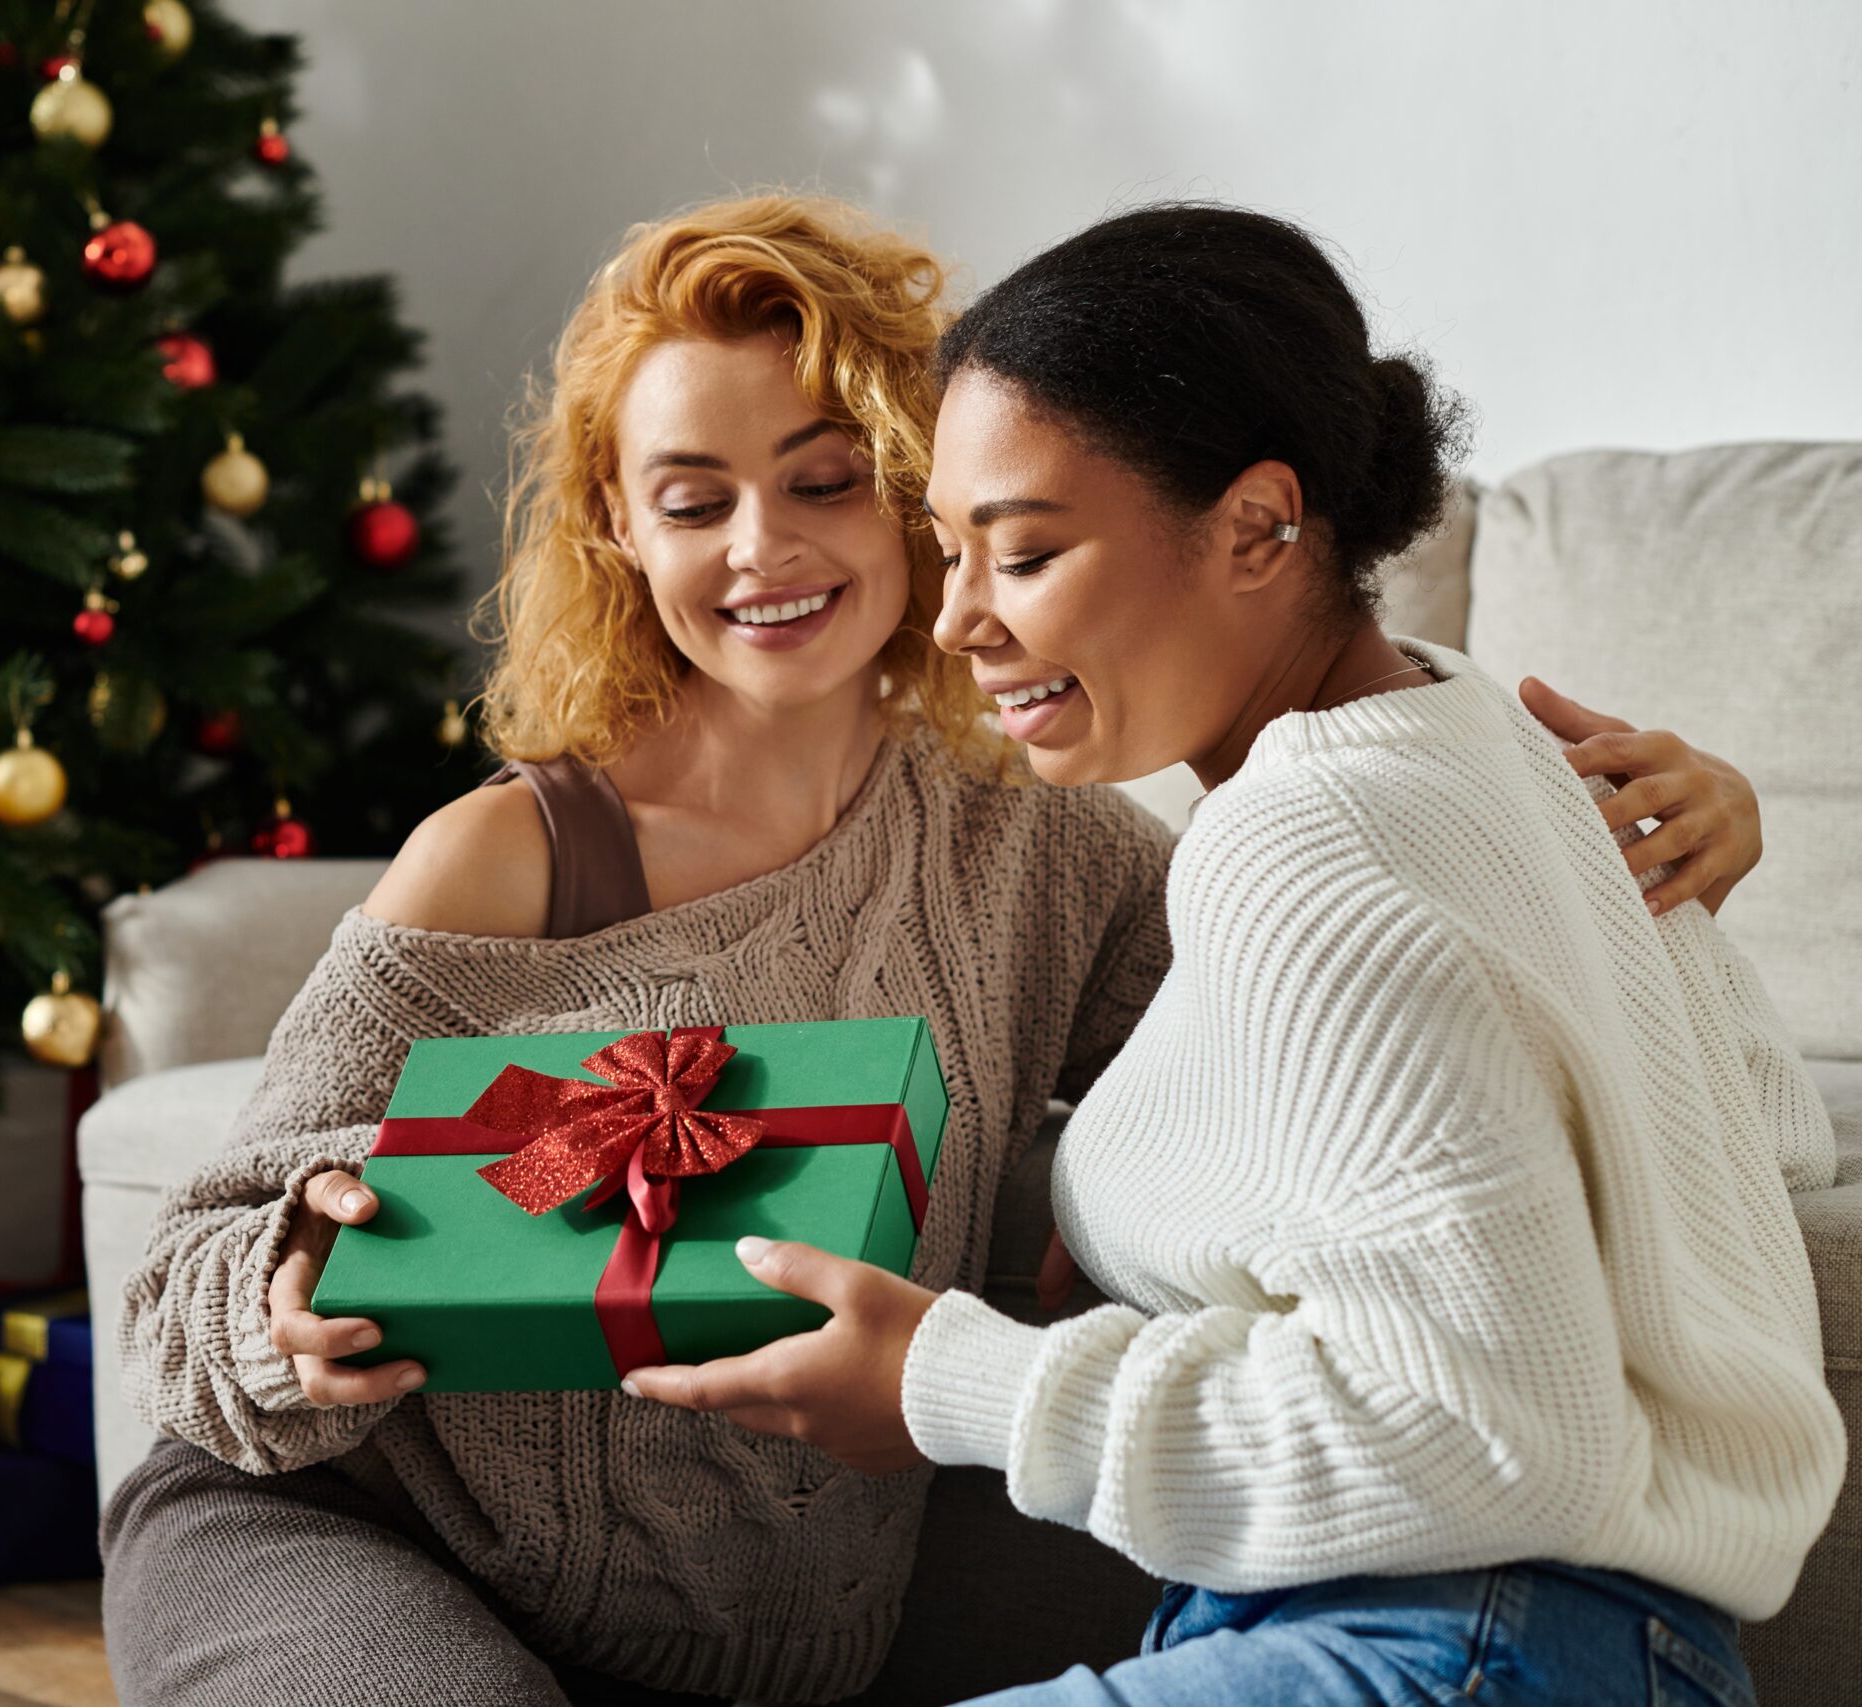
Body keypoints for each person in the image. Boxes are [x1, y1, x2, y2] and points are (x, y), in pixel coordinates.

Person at [103, 196, 1773, 1707]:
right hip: (355, 1536)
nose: (763, 549)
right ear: (623, 535)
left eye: (825, 481)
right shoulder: (511, 856)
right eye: (695, 503)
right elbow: (187, 1280)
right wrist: (287, 1311)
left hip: (759, 1633)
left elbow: (1324, 1076)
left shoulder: (1042, 842)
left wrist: (1657, 859)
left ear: (918, 498)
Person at [624, 205, 1842, 1705]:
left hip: (1454, 1646)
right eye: (950, 553)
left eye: (1024, 554)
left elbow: (1494, 1435)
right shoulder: (1493, 742)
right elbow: (1766, 1151)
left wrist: (954, 1383)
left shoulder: (1304, 838)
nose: (958, 621)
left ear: (1260, 525)